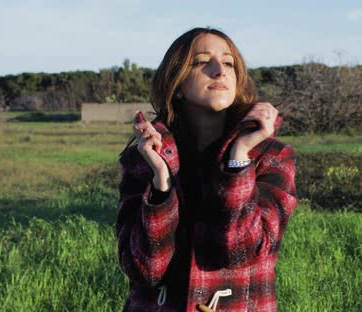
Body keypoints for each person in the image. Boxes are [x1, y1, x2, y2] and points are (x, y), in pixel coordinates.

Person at [116, 27, 298, 311]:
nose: (219, 71)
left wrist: (238, 159)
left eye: (228, 63)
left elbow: (241, 251)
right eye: (202, 62)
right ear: (175, 82)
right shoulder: (143, 159)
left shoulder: (272, 157)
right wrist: (161, 186)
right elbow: (145, 269)